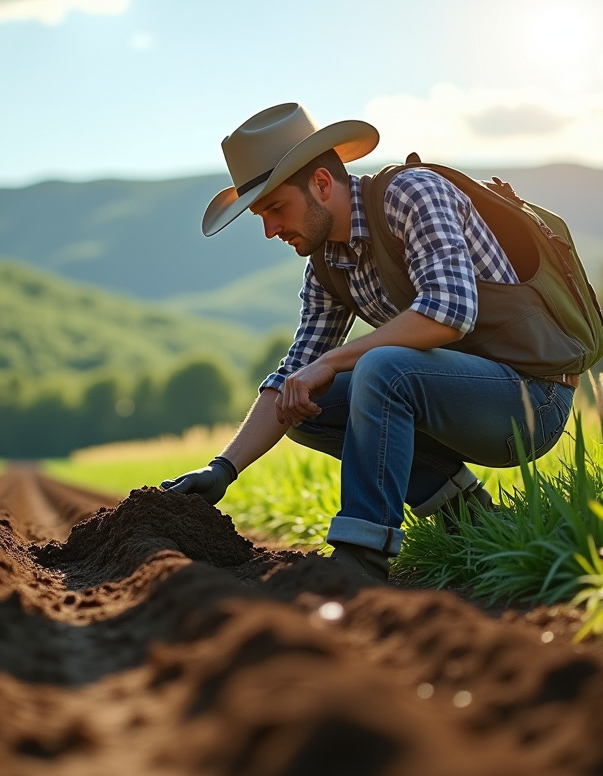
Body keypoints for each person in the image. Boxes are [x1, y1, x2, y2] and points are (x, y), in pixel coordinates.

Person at [161, 102, 577, 583]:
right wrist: (223, 469)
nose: (270, 230)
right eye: (261, 215)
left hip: (530, 400)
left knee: (382, 368)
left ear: (321, 183)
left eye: (276, 209)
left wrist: (336, 360)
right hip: (455, 397)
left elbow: (449, 311)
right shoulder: (326, 265)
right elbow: (294, 372)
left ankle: (361, 557)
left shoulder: (412, 193)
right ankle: (468, 515)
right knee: (305, 402)